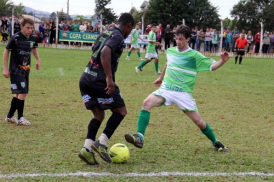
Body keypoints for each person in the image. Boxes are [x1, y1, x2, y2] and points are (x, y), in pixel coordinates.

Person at [125, 25, 229, 153]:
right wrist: (161, 78)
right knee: (146, 103)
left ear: (188, 39)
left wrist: (222, 61)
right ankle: (139, 137)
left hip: (182, 93)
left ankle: (216, 142)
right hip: (167, 89)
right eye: (176, 38)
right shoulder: (171, 51)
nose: (178, 41)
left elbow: (212, 66)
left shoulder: (194, 55)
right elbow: (168, 63)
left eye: (181, 39)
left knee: (199, 122)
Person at [78, 13, 134, 165]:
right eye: (130, 29)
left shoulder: (106, 31)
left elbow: (94, 48)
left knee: (98, 115)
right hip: (100, 80)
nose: (129, 33)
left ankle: (86, 149)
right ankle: (101, 143)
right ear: (128, 25)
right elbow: (104, 51)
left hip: (86, 77)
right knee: (121, 111)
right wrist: (109, 77)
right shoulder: (118, 35)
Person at [3, 16, 41, 126]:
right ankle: (20, 118)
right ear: (21, 27)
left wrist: (38, 60)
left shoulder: (32, 37)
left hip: (26, 69)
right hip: (15, 69)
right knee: (23, 91)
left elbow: (33, 48)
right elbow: (6, 51)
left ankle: (9, 116)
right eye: (27, 28)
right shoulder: (15, 38)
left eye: (31, 28)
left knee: (18, 93)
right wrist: (5, 68)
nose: (30, 30)